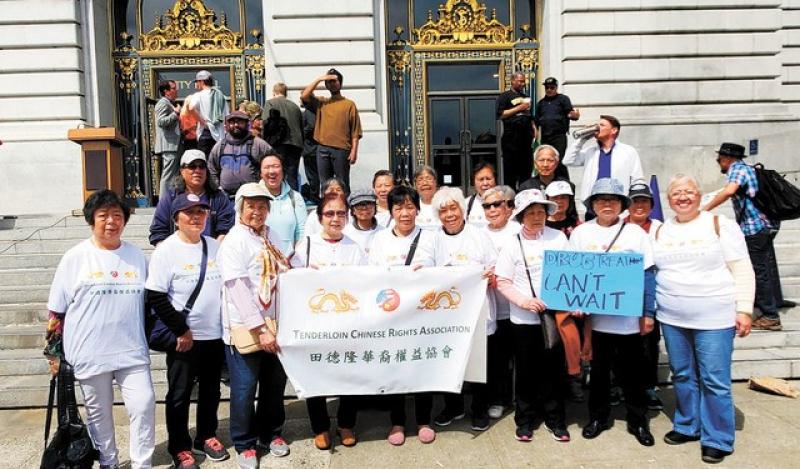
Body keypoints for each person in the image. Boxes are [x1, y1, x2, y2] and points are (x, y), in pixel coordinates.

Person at [45, 190, 155, 468]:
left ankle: (142, 463)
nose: (111, 222)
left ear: (126, 220)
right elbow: (56, 310)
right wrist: (54, 353)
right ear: (91, 220)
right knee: (99, 415)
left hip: (131, 350)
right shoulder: (76, 257)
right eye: (103, 216)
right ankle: (109, 462)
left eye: (117, 215)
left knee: (143, 406)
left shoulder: (136, 256)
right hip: (89, 352)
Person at [654, 174, 754, 464]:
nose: (682, 197)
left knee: (714, 379)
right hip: (672, 316)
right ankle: (688, 424)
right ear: (669, 200)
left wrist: (745, 308)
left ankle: (718, 437)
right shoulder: (661, 230)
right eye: (676, 193)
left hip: (714, 316)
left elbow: (742, 268)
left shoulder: (720, 224)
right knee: (682, 373)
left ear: (699, 196)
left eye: (688, 192)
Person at [568, 178, 656, 447]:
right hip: (596, 322)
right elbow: (573, 274)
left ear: (622, 205)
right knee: (598, 373)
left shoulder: (636, 234)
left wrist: (648, 312)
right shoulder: (581, 234)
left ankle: (638, 420)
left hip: (629, 321)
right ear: (592, 204)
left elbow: (648, 275)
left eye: (613, 200)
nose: (607, 204)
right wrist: (575, 303)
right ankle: (598, 417)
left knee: (633, 375)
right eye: (601, 199)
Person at [145, 193, 229, 468]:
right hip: (184, 339)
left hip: (214, 335)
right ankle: (179, 446)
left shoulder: (214, 247)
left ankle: (206, 435)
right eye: (189, 213)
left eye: (201, 212)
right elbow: (156, 296)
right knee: (179, 394)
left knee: (210, 391)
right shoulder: (166, 250)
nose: (196, 217)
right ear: (176, 218)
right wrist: (181, 330)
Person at [217, 183, 292, 468]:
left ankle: (270, 434)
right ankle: (244, 442)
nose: (257, 212)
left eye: (262, 206)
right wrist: (261, 329)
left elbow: (284, 271)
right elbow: (238, 289)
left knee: (274, 384)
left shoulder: (271, 236)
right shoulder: (234, 241)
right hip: (246, 327)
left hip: (276, 321)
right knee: (245, 388)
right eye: (251, 206)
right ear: (240, 208)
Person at [291, 193, 366, 450]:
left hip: (349, 326)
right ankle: (320, 427)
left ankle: (346, 424)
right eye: (329, 214)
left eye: (341, 213)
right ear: (320, 217)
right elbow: (290, 280)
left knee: (351, 376)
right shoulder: (306, 246)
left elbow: (366, 287)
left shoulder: (354, 248)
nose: (335, 219)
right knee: (315, 375)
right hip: (316, 327)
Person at [494, 189, 570, 442]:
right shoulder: (511, 244)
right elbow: (502, 281)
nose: (536, 217)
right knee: (526, 373)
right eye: (531, 213)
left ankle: (556, 420)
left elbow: (573, 275)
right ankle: (525, 421)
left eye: (541, 212)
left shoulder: (558, 238)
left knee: (554, 371)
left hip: (554, 318)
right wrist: (525, 301)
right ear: (521, 216)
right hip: (523, 320)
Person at [368, 185, 437, 445]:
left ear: (418, 209)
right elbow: (372, 278)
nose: (405, 213)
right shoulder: (380, 240)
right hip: (392, 318)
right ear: (391, 211)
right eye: (399, 207)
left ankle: (423, 420)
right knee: (395, 368)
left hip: (423, 318)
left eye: (410, 206)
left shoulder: (432, 237)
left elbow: (448, 273)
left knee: (422, 366)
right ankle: (397, 421)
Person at [430, 187, 498, 432]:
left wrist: (490, 276)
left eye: (453, 208)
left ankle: (479, 409)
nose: (449, 214)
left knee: (478, 363)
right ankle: (453, 406)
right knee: (449, 361)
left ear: (462, 209)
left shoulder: (479, 235)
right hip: (447, 315)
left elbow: (495, 268)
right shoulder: (433, 238)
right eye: (444, 210)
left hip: (478, 311)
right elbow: (426, 272)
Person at [703, 142, 788, 331]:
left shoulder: (737, 169)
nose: (719, 163)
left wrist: (703, 210)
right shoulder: (748, 169)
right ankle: (773, 303)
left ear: (727, 158)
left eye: (719, 159)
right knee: (766, 265)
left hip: (754, 228)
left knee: (758, 270)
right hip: (766, 225)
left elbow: (729, 191)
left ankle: (770, 316)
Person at [480, 185, 519, 419]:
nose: (492, 209)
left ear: (509, 207)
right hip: (493, 309)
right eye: (487, 206)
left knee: (522, 359)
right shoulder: (478, 233)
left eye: (497, 204)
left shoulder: (518, 230)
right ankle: (499, 399)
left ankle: (521, 400)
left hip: (520, 307)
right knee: (497, 359)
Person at [625, 181, 664, 410]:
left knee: (649, 344)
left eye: (644, 201)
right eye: (635, 201)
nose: (639, 205)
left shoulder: (660, 228)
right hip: (623, 295)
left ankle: (649, 387)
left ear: (651, 204)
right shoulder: (619, 226)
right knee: (623, 345)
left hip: (652, 294)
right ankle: (620, 385)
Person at [562, 115, 643, 218]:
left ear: (614, 130)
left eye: (602, 125)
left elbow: (638, 180)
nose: (597, 127)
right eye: (597, 125)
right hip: (593, 207)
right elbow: (568, 160)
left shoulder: (628, 151)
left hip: (619, 208)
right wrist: (582, 139)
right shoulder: (590, 151)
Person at [149, 149, 235, 246]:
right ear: (182, 171)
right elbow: (158, 232)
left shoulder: (218, 198)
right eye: (192, 166)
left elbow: (226, 230)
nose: (197, 171)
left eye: (202, 166)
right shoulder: (170, 197)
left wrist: (213, 251)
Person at [300, 68, 362, 193]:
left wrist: (354, 151)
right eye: (329, 82)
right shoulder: (322, 103)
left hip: (342, 150)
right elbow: (304, 95)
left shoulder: (349, 104)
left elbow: (355, 130)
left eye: (335, 81)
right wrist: (319, 79)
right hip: (322, 149)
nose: (332, 84)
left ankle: (345, 209)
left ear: (340, 83)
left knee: (342, 183)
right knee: (325, 185)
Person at [208, 111, 271, 197]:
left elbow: (272, 165)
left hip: (253, 197)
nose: (236, 125)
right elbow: (212, 170)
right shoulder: (220, 146)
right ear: (227, 125)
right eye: (232, 122)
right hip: (226, 198)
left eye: (240, 122)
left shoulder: (259, 144)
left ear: (247, 124)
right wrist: (217, 189)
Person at [259, 153, 308, 257]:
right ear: (260, 173)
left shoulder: (295, 197)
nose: (271, 171)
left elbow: (302, 232)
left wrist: (295, 259)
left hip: (289, 263)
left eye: (276, 166)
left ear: (283, 171)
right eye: (267, 167)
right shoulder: (252, 198)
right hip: (260, 263)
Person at [533, 77, 579, 179]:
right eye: (547, 87)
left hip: (559, 136)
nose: (549, 90)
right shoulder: (541, 103)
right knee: (546, 159)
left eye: (552, 87)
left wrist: (574, 115)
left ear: (556, 87)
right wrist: (535, 132)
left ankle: (564, 182)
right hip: (546, 136)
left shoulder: (563, 99)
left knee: (559, 160)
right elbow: (536, 121)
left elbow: (571, 114)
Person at [520, 145, 578, 222]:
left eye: (550, 160)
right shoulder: (526, 186)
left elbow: (571, 212)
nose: (545, 165)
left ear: (557, 163)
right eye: (541, 160)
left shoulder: (567, 185)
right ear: (535, 163)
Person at [496, 72, 534, 188]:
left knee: (526, 171)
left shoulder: (525, 97)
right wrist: (519, 108)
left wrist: (534, 128)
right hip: (511, 138)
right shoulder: (504, 96)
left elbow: (529, 116)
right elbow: (501, 114)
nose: (522, 83)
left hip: (525, 139)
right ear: (512, 81)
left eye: (523, 81)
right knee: (510, 172)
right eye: (520, 81)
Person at [264, 83, 304, 191]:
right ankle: (294, 201)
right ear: (285, 93)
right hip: (296, 144)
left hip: (278, 144)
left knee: (276, 174)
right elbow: (301, 125)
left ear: (274, 92)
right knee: (292, 174)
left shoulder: (270, 103)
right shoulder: (295, 106)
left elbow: (265, 123)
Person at [188, 70, 229, 156]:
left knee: (204, 162)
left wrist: (202, 122)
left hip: (205, 133)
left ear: (202, 81)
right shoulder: (221, 95)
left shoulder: (198, 95)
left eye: (197, 82)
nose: (196, 84)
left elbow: (191, 108)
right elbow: (227, 116)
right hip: (219, 135)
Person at [155, 80, 182, 197]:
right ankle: (163, 203)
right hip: (169, 145)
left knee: (173, 175)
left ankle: (170, 199)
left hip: (173, 145)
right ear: (166, 91)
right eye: (174, 88)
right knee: (168, 175)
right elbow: (161, 122)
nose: (176, 90)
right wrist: (175, 114)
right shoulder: (163, 103)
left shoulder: (169, 103)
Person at [343, 189, 384, 254]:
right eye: (359, 205)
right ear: (353, 210)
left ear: (375, 208)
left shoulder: (383, 232)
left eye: (369, 204)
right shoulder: (345, 233)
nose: (364, 208)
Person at [465, 162, 497, 228]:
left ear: (495, 180)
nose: (485, 183)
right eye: (481, 179)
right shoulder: (466, 204)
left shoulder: (505, 202)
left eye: (488, 179)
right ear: (474, 182)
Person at [301, 106, 321, 203]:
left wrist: (301, 133)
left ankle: (314, 197)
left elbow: (311, 126)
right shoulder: (315, 111)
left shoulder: (309, 112)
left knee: (312, 175)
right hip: (313, 149)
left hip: (311, 149)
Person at [413, 165, 441, 231]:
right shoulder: (412, 206)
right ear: (416, 184)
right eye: (420, 179)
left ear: (435, 182)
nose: (425, 183)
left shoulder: (444, 204)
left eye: (428, 178)